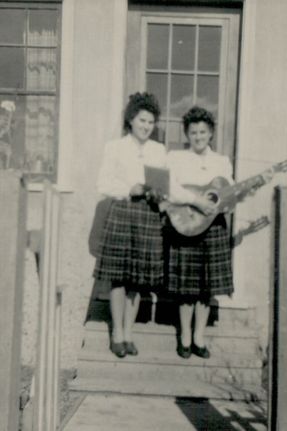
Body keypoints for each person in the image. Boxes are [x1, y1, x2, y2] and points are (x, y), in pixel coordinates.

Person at [93, 92, 166, 358]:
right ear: (131, 120)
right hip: (122, 212)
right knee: (119, 277)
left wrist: (159, 193)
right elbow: (102, 184)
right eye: (142, 120)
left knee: (138, 279)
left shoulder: (159, 151)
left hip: (147, 215)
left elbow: (163, 183)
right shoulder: (115, 147)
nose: (147, 126)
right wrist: (129, 188)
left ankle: (129, 333)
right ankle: (116, 335)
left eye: (151, 122)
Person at [165, 106, 234, 359]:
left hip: (213, 226)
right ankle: (184, 336)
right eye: (193, 132)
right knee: (187, 285)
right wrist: (195, 200)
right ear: (187, 134)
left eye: (203, 132)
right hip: (186, 222)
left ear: (211, 133)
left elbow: (228, 194)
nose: (198, 136)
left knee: (206, 286)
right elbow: (169, 190)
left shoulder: (221, 162)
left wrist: (223, 199)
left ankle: (199, 338)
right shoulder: (175, 157)